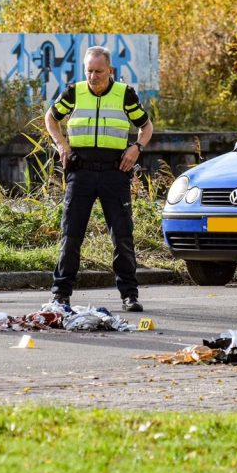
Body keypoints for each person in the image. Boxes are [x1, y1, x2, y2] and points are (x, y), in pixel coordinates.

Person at [45, 45, 154, 312]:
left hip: (114, 172)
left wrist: (137, 148)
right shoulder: (74, 92)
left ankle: (129, 295)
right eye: (89, 71)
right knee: (71, 234)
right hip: (80, 171)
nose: (93, 77)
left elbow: (146, 126)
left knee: (122, 235)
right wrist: (61, 145)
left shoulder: (124, 94)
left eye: (99, 71)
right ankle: (60, 295)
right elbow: (51, 117)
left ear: (110, 70)